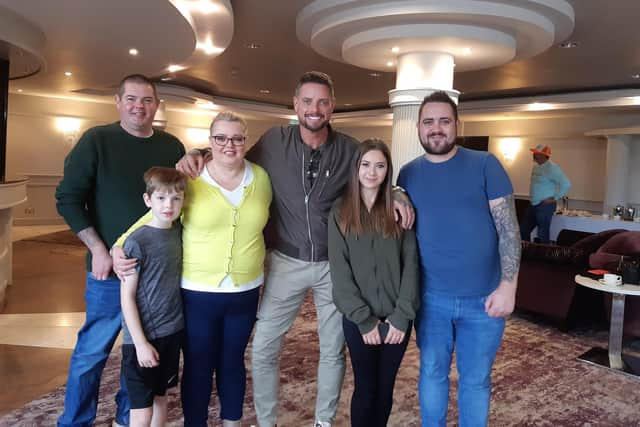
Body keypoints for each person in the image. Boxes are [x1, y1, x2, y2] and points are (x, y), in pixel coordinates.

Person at [176, 71, 414, 427]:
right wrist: (198, 152)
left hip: (334, 264)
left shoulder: (350, 149)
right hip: (285, 261)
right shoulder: (273, 141)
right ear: (295, 104)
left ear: (332, 106)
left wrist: (398, 193)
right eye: (307, 101)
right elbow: (233, 155)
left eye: (322, 101)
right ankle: (268, 421)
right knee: (263, 347)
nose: (314, 109)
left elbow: (376, 176)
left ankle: (323, 421)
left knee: (333, 350)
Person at [115, 111, 272, 427]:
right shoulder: (192, 179)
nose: (229, 145)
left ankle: (232, 422)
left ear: (246, 140)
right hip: (198, 293)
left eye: (237, 138)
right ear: (210, 141)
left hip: (245, 292)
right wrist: (119, 245)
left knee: (232, 363)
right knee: (199, 365)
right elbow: (157, 216)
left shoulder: (262, 178)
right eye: (220, 138)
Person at [55, 74, 186, 427]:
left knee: (142, 354)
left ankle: (130, 418)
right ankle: (75, 421)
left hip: (156, 280)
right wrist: (98, 248)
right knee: (92, 352)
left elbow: (178, 198)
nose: (139, 107)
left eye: (147, 100)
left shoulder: (172, 146)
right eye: (131, 99)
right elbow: (67, 198)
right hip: (110, 274)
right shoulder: (97, 140)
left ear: (157, 105)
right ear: (117, 101)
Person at [397, 91, 521, 427]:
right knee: (432, 374)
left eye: (443, 121)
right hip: (430, 299)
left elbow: (509, 229)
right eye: (428, 122)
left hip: (484, 300)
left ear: (457, 125)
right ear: (419, 129)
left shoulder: (485, 164)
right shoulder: (407, 175)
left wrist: (508, 286)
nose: (436, 128)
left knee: (476, 380)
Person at [328, 139, 419, 427]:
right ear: (356, 168)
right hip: (359, 322)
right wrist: (364, 320)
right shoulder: (340, 211)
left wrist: (402, 317)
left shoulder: (399, 210)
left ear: (387, 170)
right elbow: (340, 274)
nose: (372, 172)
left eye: (380, 166)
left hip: (396, 321)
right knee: (365, 389)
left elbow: (412, 267)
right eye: (366, 165)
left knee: (385, 389)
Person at [120, 167, 186, 427]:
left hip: (172, 331)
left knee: (162, 397)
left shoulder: (178, 232)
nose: (168, 205)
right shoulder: (138, 241)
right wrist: (140, 343)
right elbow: (127, 297)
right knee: (141, 409)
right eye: (160, 198)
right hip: (143, 338)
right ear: (148, 200)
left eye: (175, 198)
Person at [520, 144, 571, 243]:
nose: (534, 154)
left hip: (545, 206)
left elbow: (566, 184)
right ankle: (528, 253)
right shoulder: (536, 167)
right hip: (533, 204)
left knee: (542, 234)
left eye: (537, 153)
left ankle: (545, 256)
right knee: (523, 230)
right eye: (534, 152)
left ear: (544, 155)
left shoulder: (552, 168)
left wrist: (555, 198)